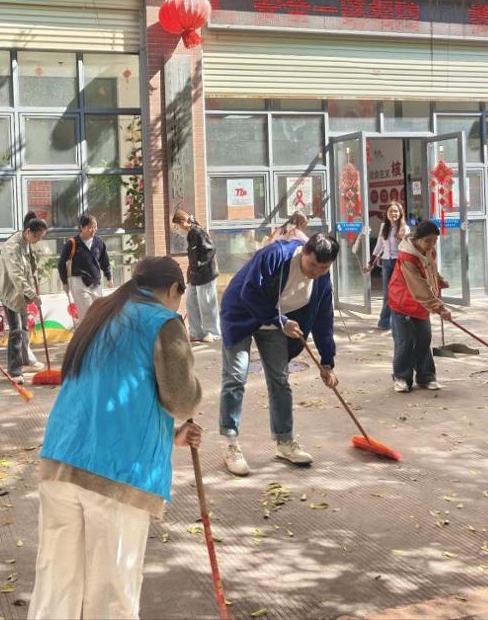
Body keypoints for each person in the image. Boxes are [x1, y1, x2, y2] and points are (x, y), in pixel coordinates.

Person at [28, 257, 202, 620]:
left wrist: (171, 436)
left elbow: (110, 393)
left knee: (55, 586)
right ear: (174, 289)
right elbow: (182, 400)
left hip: (61, 460)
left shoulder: (101, 313)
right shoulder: (163, 322)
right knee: (112, 593)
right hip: (117, 474)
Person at [218, 232, 341, 476]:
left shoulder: (322, 279)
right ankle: (230, 442)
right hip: (242, 314)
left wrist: (327, 361)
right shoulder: (276, 255)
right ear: (304, 252)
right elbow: (249, 293)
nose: (316, 272)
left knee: (280, 380)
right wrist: (280, 320)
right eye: (312, 265)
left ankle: (285, 441)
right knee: (236, 377)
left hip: (276, 324)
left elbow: (323, 319)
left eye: (324, 268)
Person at [388, 220, 450, 393]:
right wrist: (439, 307)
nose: (431, 245)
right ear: (417, 238)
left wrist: (438, 280)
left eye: (434, 241)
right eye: (428, 241)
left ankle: (426, 377)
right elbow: (418, 286)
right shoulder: (407, 257)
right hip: (402, 302)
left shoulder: (429, 251)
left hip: (422, 303)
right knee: (405, 341)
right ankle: (401, 377)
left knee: (424, 339)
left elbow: (430, 269)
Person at [0, 212, 50, 385]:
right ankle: (14, 371)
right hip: (10, 293)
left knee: (24, 327)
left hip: (23, 292)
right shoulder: (12, 247)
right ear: (28, 232)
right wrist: (32, 295)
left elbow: (29, 268)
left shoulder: (27, 242)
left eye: (41, 237)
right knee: (16, 331)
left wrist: (33, 287)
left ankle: (26, 358)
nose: (38, 240)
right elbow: (17, 276)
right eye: (37, 237)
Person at [172, 208, 221, 343]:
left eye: (177, 225)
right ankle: (195, 332)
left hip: (206, 274)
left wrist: (199, 265)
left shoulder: (198, 232)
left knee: (207, 303)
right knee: (191, 302)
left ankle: (213, 332)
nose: (177, 229)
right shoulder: (190, 234)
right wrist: (191, 272)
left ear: (183, 222)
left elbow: (210, 250)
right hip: (194, 275)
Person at [57, 214, 113, 323]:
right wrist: (65, 282)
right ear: (81, 227)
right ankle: (87, 333)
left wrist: (109, 277)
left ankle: (94, 333)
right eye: (90, 227)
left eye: (95, 227)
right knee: (87, 316)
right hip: (79, 283)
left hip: (96, 282)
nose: (93, 230)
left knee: (99, 314)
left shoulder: (99, 242)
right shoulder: (71, 243)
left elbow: (104, 261)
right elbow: (61, 264)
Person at [367, 201, 409, 331]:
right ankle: (385, 322)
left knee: (398, 292)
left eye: (396, 211)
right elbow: (379, 245)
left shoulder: (404, 228)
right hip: (386, 262)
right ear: (387, 213)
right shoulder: (383, 227)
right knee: (387, 293)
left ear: (400, 213)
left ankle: (399, 321)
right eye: (391, 211)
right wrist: (371, 262)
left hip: (399, 262)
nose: (393, 214)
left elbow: (407, 247)